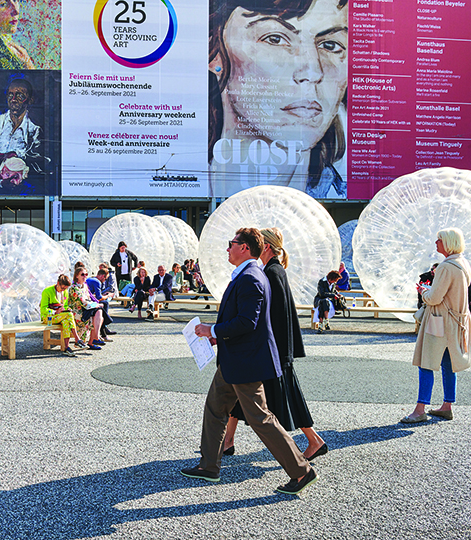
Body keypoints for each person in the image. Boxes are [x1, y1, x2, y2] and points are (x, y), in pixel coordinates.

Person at [183, 227, 316, 494]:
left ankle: (301, 471)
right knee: (214, 408)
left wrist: (213, 331)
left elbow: (247, 322)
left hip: (245, 363)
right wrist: (219, 337)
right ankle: (209, 465)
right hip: (236, 360)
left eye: (231, 243)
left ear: (245, 248)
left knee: (260, 418)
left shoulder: (251, 277)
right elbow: (244, 321)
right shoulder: (248, 275)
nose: (227, 248)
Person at [208, 0, 348, 199]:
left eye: (330, 45)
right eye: (274, 39)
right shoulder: (181, 182)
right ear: (215, 53)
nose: (312, 72)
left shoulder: (356, 198)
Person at [222, 228, 327, 460]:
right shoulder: (272, 270)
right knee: (243, 392)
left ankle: (313, 441)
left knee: (282, 396)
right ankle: (227, 441)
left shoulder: (272, 272)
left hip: (275, 349)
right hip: (276, 347)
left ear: (266, 247)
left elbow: (275, 315)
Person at [402, 228, 471, 423]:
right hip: (457, 320)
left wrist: (423, 292)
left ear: (448, 243)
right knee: (448, 363)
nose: (436, 242)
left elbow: (435, 298)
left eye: (439, 239)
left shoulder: (445, 267)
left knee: (426, 362)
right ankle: (447, 405)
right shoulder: (463, 263)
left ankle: (420, 410)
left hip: (440, 321)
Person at [0, 78, 43, 196]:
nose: (14, 99)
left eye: (20, 96)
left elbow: (39, 168)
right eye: (10, 95)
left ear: (30, 100)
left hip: (21, 194)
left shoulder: (34, 131)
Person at [40, 274, 84, 357]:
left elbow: (65, 306)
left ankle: (66, 347)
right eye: (62, 288)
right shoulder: (47, 291)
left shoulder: (65, 292)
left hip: (62, 316)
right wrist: (55, 311)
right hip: (48, 318)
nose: (63, 290)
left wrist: (67, 309)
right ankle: (77, 339)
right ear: (58, 283)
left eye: (65, 288)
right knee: (69, 315)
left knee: (67, 321)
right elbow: (43, 309)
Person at [67, 267, 105, 350]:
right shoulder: (74, 288)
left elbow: (89, 299)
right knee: (97, 313)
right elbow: (82, 302)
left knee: (99, 314)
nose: (85, 276)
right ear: (77, 276)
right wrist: (96, 305)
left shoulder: (85, 286)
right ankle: (94, 339)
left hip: (85, 309)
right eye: (82, 274)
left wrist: (96, 304)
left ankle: (95, 339)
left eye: (86, 274)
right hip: (77, 310)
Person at [86, 268, 116, 340]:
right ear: (103, 276)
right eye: (105, 278)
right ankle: (104, 327)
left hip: (87, 301)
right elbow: (99, 298)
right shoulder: (97, 282)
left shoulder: (91, 279)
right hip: (87, 303)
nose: (105, 281)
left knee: (104, 304)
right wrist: (108, 296)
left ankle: (103, 330)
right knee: (104, 304)